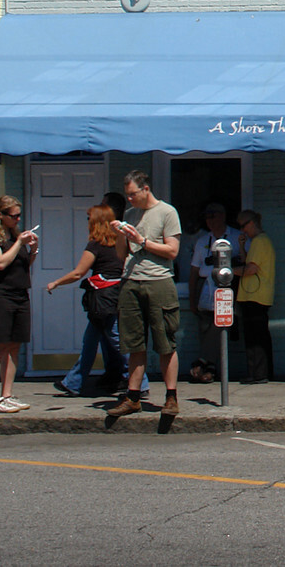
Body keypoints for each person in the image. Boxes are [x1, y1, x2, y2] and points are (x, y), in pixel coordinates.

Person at [107, 169, 181, 424]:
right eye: (127, 195)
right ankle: (133, 396)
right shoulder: (130, 214)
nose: (129, 199)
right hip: (131, 281)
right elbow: (121, 254)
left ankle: (171, 397)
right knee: (133, 343)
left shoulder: (167, 212)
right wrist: (119, 235)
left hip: (158, 281)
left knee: (165, 342)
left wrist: (142, 240)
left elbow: (172, 251)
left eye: (133, 194)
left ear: (145, 189)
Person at [47, 203, 134, 397]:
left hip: (103, 300)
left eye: (89, 219)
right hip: (116, 296)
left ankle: (139, 383)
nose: (87, 223)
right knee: (92, 339)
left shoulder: (96, 245)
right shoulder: (120, 243)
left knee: (117, 340)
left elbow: (79, 272)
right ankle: (73, 382)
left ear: (96, 222)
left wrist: (56, 282)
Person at [0, 195, 38, 412]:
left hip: (19, 294)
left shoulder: (14, 236)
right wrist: (19, 243)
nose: (17, 219)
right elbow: (0, 262)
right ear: (0, 215)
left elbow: (22, 264)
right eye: (13, 216)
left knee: (14, 345)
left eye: (19, 215)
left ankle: (7, 394)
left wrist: (32, 249)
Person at [187, 202, 243, 383]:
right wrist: (192, 298)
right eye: (207, 217)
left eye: (213, 216)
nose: (210, 221)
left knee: (219, 328)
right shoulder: (203, 240)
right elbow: (194, 271)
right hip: (206, 289)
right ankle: (209, 370)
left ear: (222, 216)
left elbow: (246, 262)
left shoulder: (235, 237)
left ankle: (202, 363)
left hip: (227, 289)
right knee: (206, 332)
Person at [236, 209, 275, 384]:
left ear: (252, 223)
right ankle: (260, 373)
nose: (243, 230)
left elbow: (251, 269)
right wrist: (242, 247)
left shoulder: (260, 242)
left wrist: (229, 272)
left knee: (255, 338)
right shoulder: (257, 243)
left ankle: (259, 373)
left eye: (243, 226)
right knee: (257, 335)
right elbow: (247, 262)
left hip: (255, 296)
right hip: (255, 295)